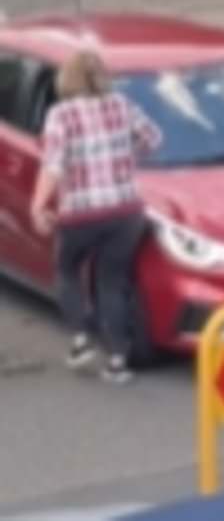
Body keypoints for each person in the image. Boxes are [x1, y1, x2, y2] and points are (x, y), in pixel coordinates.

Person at [30, 51, 162, 384]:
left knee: (67, 269)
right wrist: (125, 159)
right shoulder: (122, 105)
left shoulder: (61, 115)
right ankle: (118, 362)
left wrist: (38, 203)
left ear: (67, 80)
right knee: (112, 282)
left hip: (81, 211)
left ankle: (80, 338)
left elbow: (54, 166)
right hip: (126, 210)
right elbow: (153, 139)